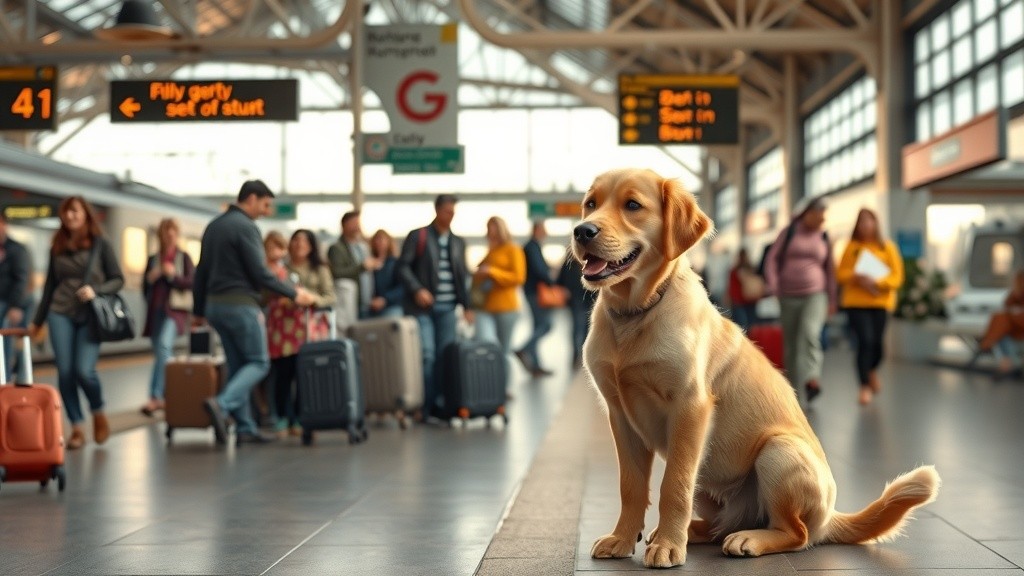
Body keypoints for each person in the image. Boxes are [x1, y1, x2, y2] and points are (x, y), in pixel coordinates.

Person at [192, 180, 316, 447]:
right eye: (265, 204)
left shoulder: (214, 226)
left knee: (238, 366)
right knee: (260, 362)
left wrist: (199, 311)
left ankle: (246, 427)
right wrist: (294, 294)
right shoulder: (246, 227)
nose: (267, 210)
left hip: (215, 306)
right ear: (251, 198)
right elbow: (260, 273)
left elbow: (201, 271)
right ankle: (221, 405)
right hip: (240, 305)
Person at [28, 196, 122, 449]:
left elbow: (117, 279)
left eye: (75, 212)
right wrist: (37, 322)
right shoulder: (57, 245)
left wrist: (96, 290)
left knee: (84, 370)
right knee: (66, 371)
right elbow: (49, 286)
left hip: (90, 314)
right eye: (66, 212)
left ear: (85, 215)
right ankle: (77, 427)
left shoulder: (100, 244)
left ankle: (98, 411)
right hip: (60, 312)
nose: (70, 216)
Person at [396, 194, 472, 419]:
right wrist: (417, 289)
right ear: (437, 210)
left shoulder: (458, 242)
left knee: (445, 356)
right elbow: (402, 267)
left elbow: (461, 276)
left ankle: (440, 404)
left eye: (453, 212)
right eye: (447, 211)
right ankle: (425, 406)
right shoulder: (418, 236)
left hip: (448, 308)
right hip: (422, 309)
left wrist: (467, 306)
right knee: (427, 355)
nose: (450, 216)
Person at [764, 195, 837, 404]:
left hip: (816, 294)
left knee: (809, 332)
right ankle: (793, 389)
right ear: (808, 213)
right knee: (792, 343)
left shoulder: (823, 237)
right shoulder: (789, 233)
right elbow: (772, 259)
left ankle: (812, 378)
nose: (822, 220)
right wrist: (774, 285)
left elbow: (830, 269)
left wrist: (832, 299)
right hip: (787, 295)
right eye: (819, 215)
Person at [267, 229, 335, 438]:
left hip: (308, 328)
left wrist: (311, 298)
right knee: (283, 373)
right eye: (295, 240)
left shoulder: (320, 269)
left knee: (304, 373)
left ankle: (299, 417)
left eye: (304, 242)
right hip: (282, 327)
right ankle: (280, 417)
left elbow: (330, 296)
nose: (299, 245)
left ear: (312, 246)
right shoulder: (279, 268)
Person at [835, 208, 904, 405]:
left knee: (877, 346)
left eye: (869, 221)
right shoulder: (852, 247)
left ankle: (871, 369)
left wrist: (877, 282)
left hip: (880, 302)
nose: (865, 225)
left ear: (876, 223)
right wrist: (855, 276)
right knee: (865, 341)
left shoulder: (887, 247)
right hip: (856, 303)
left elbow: (897, 277)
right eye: (862, 221)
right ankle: (864, 385)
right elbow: (840, 274)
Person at [139, 218, 195, 416]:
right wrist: (151, 277)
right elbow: (144, 288)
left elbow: (191, 283)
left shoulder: (183, 257)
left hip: (175, 311)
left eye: (173, 230)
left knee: (164, 346)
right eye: (166, 230)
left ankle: (159, 395)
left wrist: (172, 276)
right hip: (156, 311)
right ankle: (161, 396)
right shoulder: (153, 259)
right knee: (160, 355)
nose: (170, 234)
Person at [471, 216, 526, 359]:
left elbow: (519, 278)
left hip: (506, 307)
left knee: (504, 351)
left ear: (500, 228)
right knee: (485, 343)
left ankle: (504, 381)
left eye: (492, 226)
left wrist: (492, 272)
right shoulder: (491, 251)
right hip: (486, 306)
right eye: (487, 227)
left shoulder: (513, 249)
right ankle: (490, 379)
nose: (489, 230)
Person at [515, 220, 557, 377]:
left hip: (532, 291)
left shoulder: (532, 246)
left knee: (537, 327)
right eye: (543, 230)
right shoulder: (532, 247)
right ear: (536, 230)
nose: (545, 233)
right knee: (546, 325)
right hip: (535, 292)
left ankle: (535, 366)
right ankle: (524, 348)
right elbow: (540, 270)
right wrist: (551, 281)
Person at [327, 211, 380, 328]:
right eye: (354, 223)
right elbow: (337, 272)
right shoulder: (337, 248)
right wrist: (362, 267)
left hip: (368, 302)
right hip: (351, 304)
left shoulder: (363, 247)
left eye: (358, 222)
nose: (357, 226)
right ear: (344, 225)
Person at [0, 210, 33, 383]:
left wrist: (15, 306)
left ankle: (5, 380)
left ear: (4, 225)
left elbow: (22, 280)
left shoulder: (17, 250)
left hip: (13, 302)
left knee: (8, 340)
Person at [973, 269, 1024, 380]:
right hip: (1014, 330)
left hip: (1019, 329)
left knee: (1000, 319)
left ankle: (985, 344)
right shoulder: (1015, 295)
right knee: (1001, 332)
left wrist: (1015, 313)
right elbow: (1007, 305)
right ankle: (1006, 364)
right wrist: (1016, 295)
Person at [557, 255, 597, 369]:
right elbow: (560, 279)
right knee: (577, 328)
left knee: (588, 329)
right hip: (576, 300)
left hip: (591, 301)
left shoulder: (593, 260)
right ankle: (575, 355)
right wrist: (565, 290)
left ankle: (584, 356)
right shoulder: (570, 262)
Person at [367, 229, 403, 318]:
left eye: (382, 239)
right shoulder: (368, 262)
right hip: (371, 307)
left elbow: (402, 287)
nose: (379, 243)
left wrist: (385, 299)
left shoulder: (395, 263)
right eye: (377, 239)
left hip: (391, 305)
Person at [727, 248, 762, 331]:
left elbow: (731, 288)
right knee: (750, 324)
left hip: (740, 301)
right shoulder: (751, 269)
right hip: (749, 300)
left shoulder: (735, 270)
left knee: (742, 326)